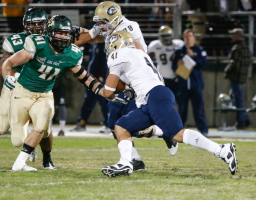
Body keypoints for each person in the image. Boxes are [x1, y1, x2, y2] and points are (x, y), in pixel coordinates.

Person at [100, 31, 237, 177]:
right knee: (122, 126)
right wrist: (133, 92)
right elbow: (142, 78)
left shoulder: (119, 55)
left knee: (178, 134)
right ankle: (126, 163)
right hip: (152, 96)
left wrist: (98, 89)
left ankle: (222, 150)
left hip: (155, 96)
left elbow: (108, 93)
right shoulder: (140, 53)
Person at [2, 15, 114, 171]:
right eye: (59, 33)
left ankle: (20, 163)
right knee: (16, 140)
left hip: (45, 93)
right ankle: (29, 146)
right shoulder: (37, 44)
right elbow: (9, 62)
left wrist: (105, 92)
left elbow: (86, 78)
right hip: (23, 91)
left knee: (42, 125)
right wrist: (7, 77)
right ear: (50, 32)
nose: (63, 37)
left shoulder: (71, 53)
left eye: (66, 33)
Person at [86, 1, 178, 171]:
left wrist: (132, 84)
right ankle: (136, 159)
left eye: (103, 22)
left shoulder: (129, 26)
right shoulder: (109, 29)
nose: (100, 26)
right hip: (120, 80)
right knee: (114, 122)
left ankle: (162, 132)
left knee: (128, 124)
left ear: (114, 19)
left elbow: (140, 50)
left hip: (136, 82)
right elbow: (93, 38)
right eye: (98, 22)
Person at [0, 8, 56, 170]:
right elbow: (3, 65)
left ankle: (47, 158)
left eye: (40, 23)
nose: (36, 27)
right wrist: (10, 77)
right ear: (25, 25)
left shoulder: (52, 40)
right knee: (2, 127)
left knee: (45, 127)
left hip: (40, 88)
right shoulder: (16, 41)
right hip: (15, 86)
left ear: (46, 24)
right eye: (32, 24)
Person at [172, 29, 208, 135]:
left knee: (198, 109)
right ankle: (180, 129)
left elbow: (203, 64)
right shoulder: (179, 52)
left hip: (196, 85)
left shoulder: (200, 50)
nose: (188, 39)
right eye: (186, 37)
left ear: (194, 37)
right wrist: (177, 65)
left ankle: (203, 130)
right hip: (183, 85)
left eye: (190, 36)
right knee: (182, 109)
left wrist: (194, 56)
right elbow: (174, 67)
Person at [70, 42, 110, 133]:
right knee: (88, 101)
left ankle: (109, 124)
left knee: (103, 102)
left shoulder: (104, 45)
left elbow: (104, 63)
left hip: (99, 79)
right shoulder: (94, 44)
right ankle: (82, 123)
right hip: (91, 79)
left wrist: (101, 78)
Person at [225, 28, 251, 130]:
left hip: (236, 77)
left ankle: (242, 121)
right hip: (242, 77)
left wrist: (226, 71)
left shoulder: (237, 48)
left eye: (233, 34)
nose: (232, 36)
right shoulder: (246, 47)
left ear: (238, 36)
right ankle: (244, 119)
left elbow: (234, 63)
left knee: (237, 100)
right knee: (235, 98)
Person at [148, 25, 184, 97]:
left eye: (167, 36)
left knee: (178, 100)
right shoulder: (155, 45)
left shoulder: (179, 44)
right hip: (162, 77)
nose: (165, 38)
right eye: (163, 36)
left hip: (176, 77)